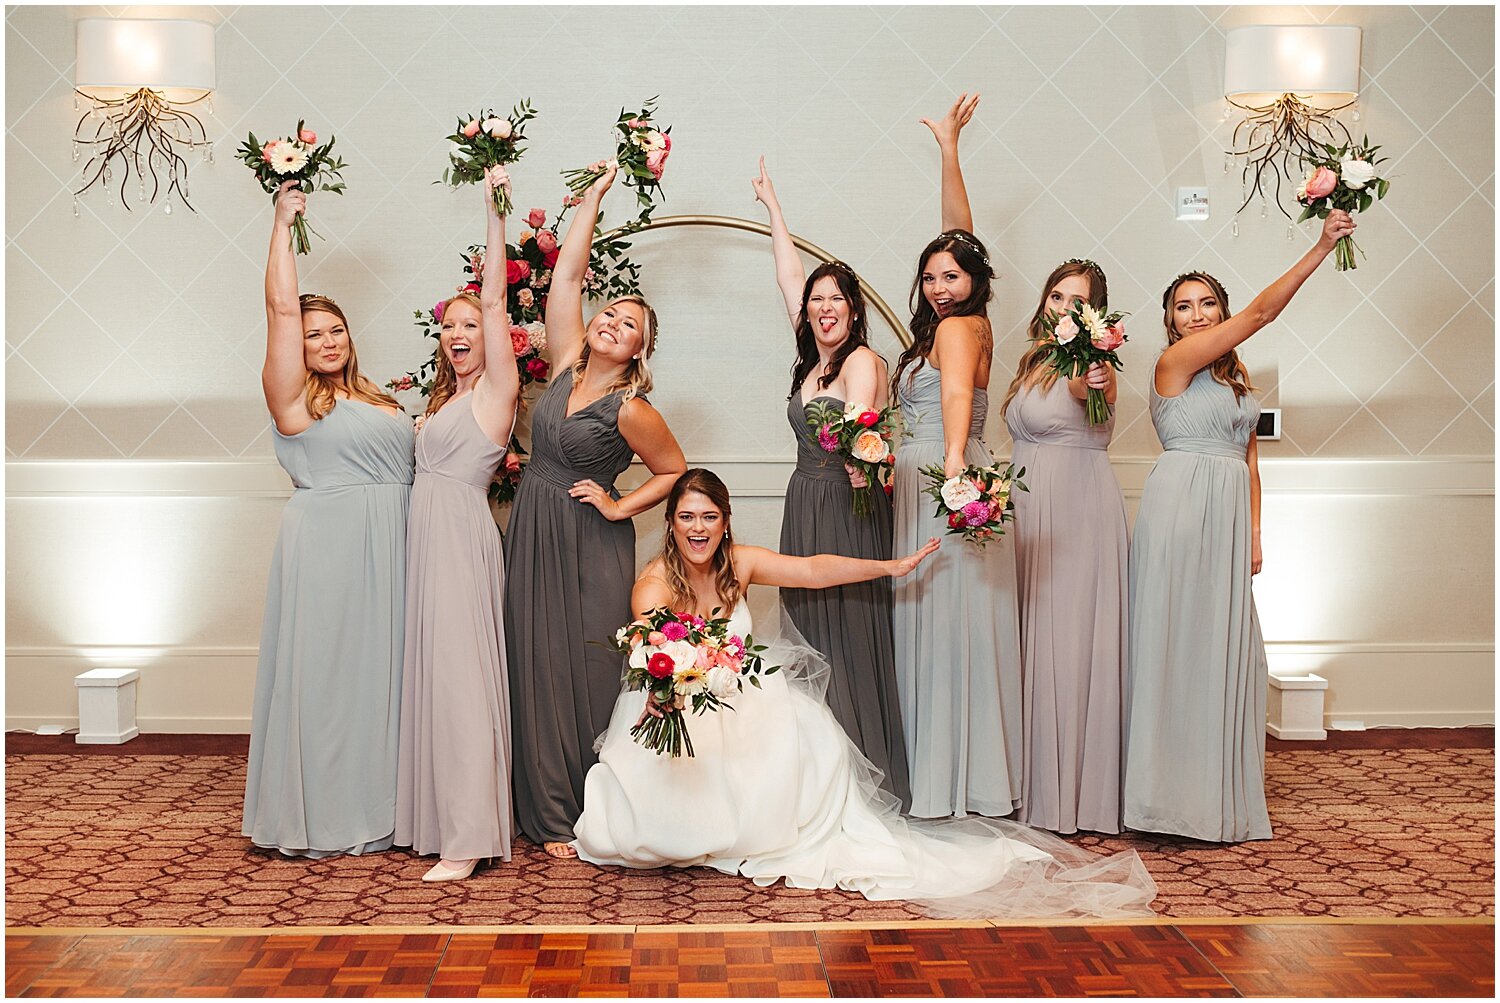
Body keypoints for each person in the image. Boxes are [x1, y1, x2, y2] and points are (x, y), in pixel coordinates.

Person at [573, 469, 1155, 919]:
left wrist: (890, 566)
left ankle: (770, 824)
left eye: (709, 517)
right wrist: (666, 692)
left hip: (738, 702)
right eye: (685, 518)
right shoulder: (654, 582)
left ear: (726, 522)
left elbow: (814, 569)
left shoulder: (738, 563)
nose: (697, 529)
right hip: (672, 707)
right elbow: (653, 658)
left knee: (806, 726)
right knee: (635, 833)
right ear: (671, 523)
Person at [1125, 209, 1356, 842]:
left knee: (1224, 648)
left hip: (1226, 515)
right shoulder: (1172, 364)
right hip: (1179, 508)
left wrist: (1255, 532)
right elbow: (1259, 315)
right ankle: (1160, 800)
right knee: (1174, 643)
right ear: (1170, 320)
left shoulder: (1237, 379)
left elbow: (1251, 464)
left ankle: (1212, 796)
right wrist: (1319, 247)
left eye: (1206, 305)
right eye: (1183, 307)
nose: (1195, 315)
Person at [503, 162, 687, 859]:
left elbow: (673, 470)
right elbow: (569, 279)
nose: (611, 321)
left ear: (641, 347)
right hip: (533, 528)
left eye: (629, 323)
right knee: (532, 657)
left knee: (583, 668)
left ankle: (582, 808)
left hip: (587, 542)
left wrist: (617, 508)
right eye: (610, 313)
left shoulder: (632, 409)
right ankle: (539, 805)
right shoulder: (564, 361)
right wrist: (592, 199)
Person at [243, 179, 413, 857]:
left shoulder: (375, 397)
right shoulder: (292, 401)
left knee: (387, 682)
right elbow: (281, 308)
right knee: (333, 683)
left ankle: (392, 808)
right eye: (313, 333)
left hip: (395, 546)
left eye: (336, 328)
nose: (326, 339)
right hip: (332, 550)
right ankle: (327, 811)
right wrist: (282, 223)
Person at [748, 156, 911, 808]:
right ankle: (816, 779)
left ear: (853, 309)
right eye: (815, 302)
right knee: (807, 632)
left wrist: (861, 441)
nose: (821, 308)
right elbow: (790, 277)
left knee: (845, 631)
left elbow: (865, 420)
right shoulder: (811, 360)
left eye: (834, 300)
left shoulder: (862, 360)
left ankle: (861, 781)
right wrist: (773, 208)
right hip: (802, 502)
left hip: (847, 504)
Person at [890, 94, 1023, 818]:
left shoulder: (961, 328)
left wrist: (950, 470)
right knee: (947, 625)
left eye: (952, 275)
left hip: (943, 476)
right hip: (941, 473)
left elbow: (954, 406)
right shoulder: (959, 318)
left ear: (973, 282)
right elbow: (958, 234)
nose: (940, 285)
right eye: (932, 275)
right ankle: (959, 772)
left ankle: (948, 780)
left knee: (947, 627)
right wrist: (949, 149)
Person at [395, 168, 522, 881]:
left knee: (462, 681)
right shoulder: (453, 396)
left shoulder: (498, 392)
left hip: (460, 539)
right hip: (430, 540)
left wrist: (493, 208)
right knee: (437, 678)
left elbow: (498, 294)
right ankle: (441, 820)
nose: (457, 334)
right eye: (448, 326)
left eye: (470, 325)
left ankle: (470, 836)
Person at [1001, 259, 1127, 835]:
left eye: (1078, 301)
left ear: (1094, 313)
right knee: (1031, 641)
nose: (1063, 308)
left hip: (1075, 510)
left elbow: (1090, 386)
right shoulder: (1035, 360)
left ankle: (1070, 795)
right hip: (1029, 511)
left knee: (1069, 640)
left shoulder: (1090, 362)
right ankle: (1029, 781)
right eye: (1057, 296)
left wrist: (1094, 371)